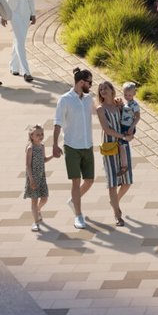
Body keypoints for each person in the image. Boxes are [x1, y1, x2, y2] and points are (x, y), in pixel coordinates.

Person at [53, 66, 98, 229]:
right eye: (90, 83)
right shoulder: (65, 100)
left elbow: (97, 112)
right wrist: (54, 145)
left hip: (87, 145)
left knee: (90, 180)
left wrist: (114, 104)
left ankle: (73, 201)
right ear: (81, 82)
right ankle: (78, 215)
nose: (91, 86)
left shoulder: (88, 99)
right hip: (71, 146)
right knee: (75, 182)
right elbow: (57, 123)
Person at [96, 79, 133, 227]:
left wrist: (130, 132)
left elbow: (128, 117)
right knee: (112, 183)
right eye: (101, 89)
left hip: (123, 146)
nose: (103, 91)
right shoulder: (100, 109)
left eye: (106, 88)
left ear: (112, 90)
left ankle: (114, 201)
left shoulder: (118, 105)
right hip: (110, 147)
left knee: (127, 181)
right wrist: (123, 136)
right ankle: (117, 215)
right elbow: (106, 129)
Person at [22, 124, 51, 233]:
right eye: (38, 134)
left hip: (41, 176)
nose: (40, 136)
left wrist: (53, 155)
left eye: (42, 134)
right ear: (32, 136)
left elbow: (43, 159)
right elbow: (27, 165)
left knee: (44, 198)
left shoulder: (42, 146)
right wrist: (31, 180)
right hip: (33, 177)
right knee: (34, 200)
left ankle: (38, 210)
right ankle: (35, 222)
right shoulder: (30, 148)